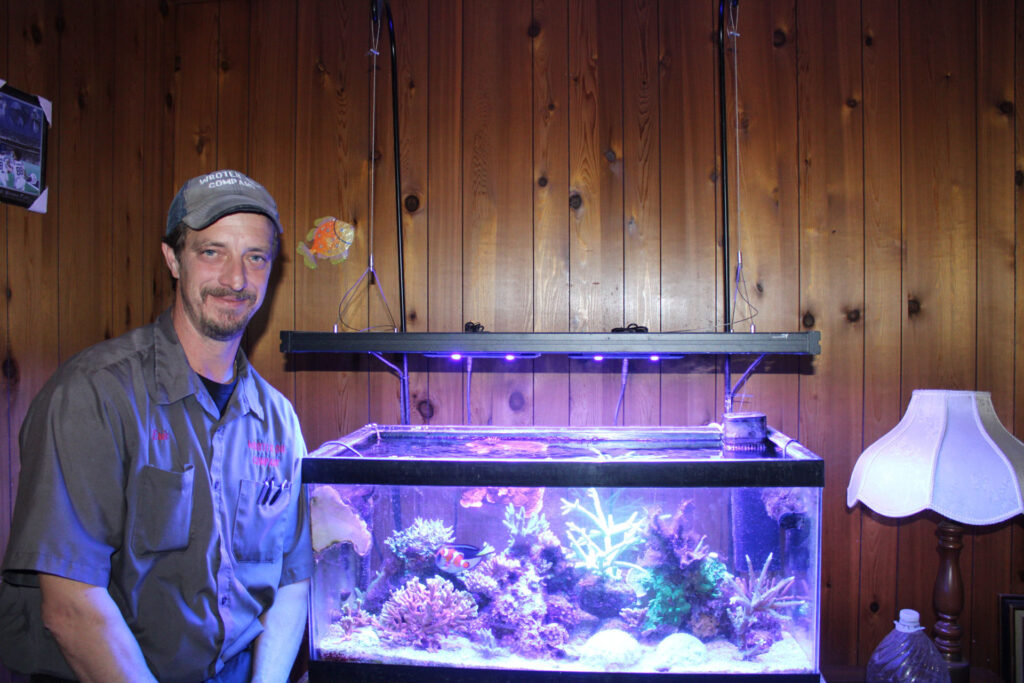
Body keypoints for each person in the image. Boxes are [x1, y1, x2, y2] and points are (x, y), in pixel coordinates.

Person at [0, 170, 312, 682]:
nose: (236, 279)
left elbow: (292, 579)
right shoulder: (94, 393)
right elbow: (70, 606)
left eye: (255, 257)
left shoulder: (279, 420)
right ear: (173, 259)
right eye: (212, 252)